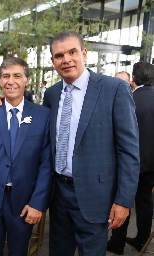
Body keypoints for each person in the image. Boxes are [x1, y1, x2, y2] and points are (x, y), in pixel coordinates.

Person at [43, 30, 139, 255]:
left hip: (96, 196)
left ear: (84, 53)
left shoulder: (114, 89)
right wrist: (6, 104)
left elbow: (129, 150)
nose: (66, 59)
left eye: (72, 52)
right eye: (59, 55)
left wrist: (123, 201)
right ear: (53, 61)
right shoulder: (52, 94)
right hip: (58, 195)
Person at [0, 57, 52, 255]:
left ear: (27, 80)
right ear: (0, 81)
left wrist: (37, 204)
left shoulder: (43, 115)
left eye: (17, 76)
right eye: (6, 76)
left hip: (24, 203)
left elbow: (46, 163)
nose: (11, 81)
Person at [107, 62, 154, 254]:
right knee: (145, 201)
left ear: (133, 79)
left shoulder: (130, 100)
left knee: (122, 199)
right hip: (152, 163)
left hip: (130, 162)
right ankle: (142, 239)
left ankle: (117, 243)